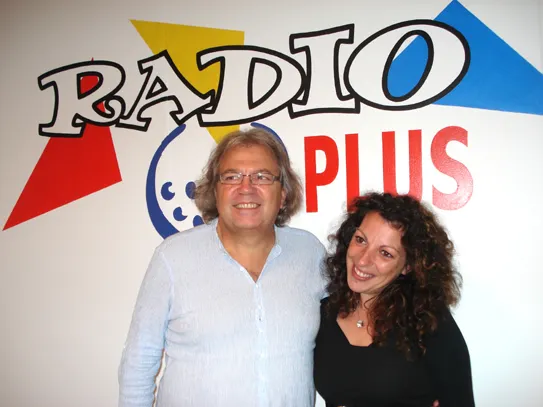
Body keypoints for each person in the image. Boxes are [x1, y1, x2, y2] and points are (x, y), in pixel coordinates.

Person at [118, 127, 327, 407]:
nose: (246, 187)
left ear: (283, 195)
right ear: (215, 192)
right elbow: (138, 363)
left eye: (262, 176)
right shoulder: (173, 257)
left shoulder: (310, 253)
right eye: (231, 177)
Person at [314, 192, 475, 407]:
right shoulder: (324, 312)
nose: (363, 260)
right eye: (360, 240)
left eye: (385, 253)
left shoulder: (428, 321)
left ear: (408, 266)